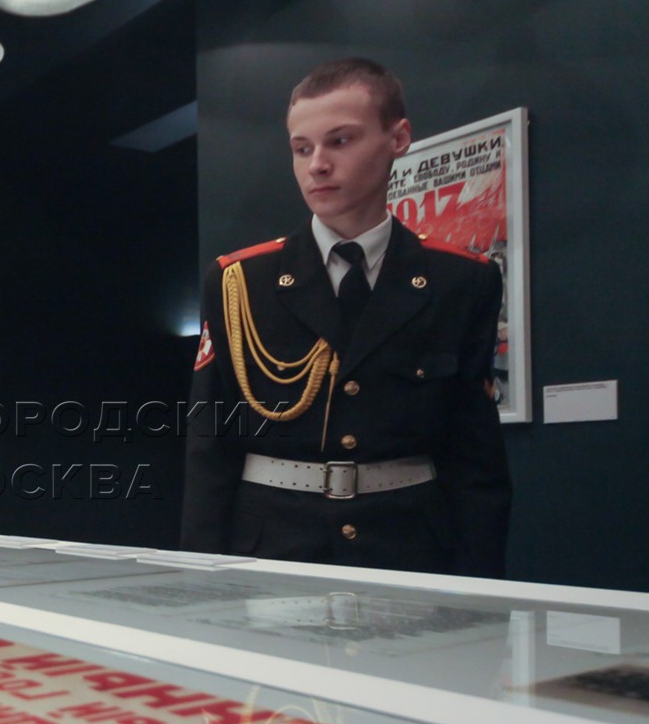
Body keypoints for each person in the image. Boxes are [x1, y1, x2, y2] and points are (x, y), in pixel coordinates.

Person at [181, 59, 510, 577]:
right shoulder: (239, 281)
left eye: (340, 141)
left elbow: (475, 455)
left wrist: (481, 589)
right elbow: (210, 446)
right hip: (272, 550)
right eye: (302, 148)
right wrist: (202, 577)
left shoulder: (461, 280)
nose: (317, 164)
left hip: (409, 550)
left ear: (398, 138)